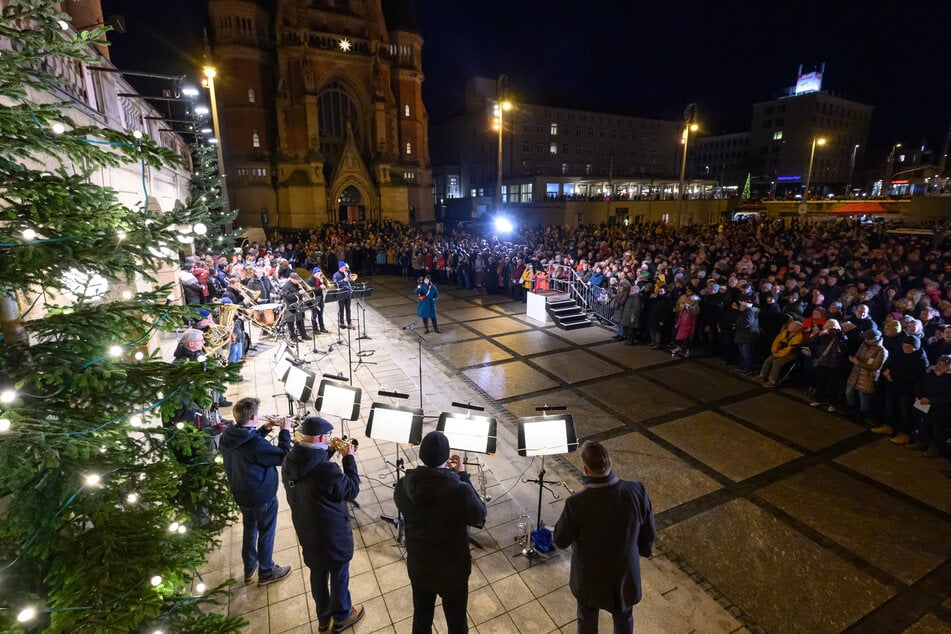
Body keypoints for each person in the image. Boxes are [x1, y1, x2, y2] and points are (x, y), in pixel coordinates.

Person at [553, 441, 656, 634]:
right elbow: (649, 531)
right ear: (611, 462)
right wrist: (642, 551)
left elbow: (560, 540)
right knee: (624, 618)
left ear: (585, 469)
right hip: (624, 573)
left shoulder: (576, 503)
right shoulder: (636, 490)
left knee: (587, 619)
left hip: (589, 577)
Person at [394, 431, 487, 634]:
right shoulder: (458, 489)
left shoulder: (403, 485)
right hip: (452, 570)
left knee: (421, 617)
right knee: (456, 622)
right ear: (446, 458)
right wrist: (461, 475)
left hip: (419, 565)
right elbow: (480, 516)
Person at [282, 416, 364, 633]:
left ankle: (322, 619)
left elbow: (310, 467)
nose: (328, 439)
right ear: (319, 437)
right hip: (331, 535)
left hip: (307, 530)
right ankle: (341, 617)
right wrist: (349, 458)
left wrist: (327, 451)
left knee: (317, 574)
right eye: (326, 437)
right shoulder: (328, 472)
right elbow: (351, 489)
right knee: (339, 573)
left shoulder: (289, 461)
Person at [219, 397, 293, 586]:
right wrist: (285, 431)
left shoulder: (229, 435)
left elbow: (247, 441)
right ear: (252, 417)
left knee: (250, 530)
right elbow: (282, 456)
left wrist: (265, 428)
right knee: (266, 533)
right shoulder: (256, 446)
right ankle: (266, 572)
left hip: (241, 494)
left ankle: (250, 568)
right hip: (261, 497)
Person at [333, 261, 354, 329]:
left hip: (348, 293)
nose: (345, 268)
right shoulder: (336, 275)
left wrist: (350, 278)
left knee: (348, 309)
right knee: (341, 309)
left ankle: (349, 322)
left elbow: (351, 281)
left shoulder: (347, 273)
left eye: (345, 267)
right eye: (344, 267)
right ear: (341, 267)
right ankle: (341, 323)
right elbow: (335, 285)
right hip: (341, 294)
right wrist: (343, 280)